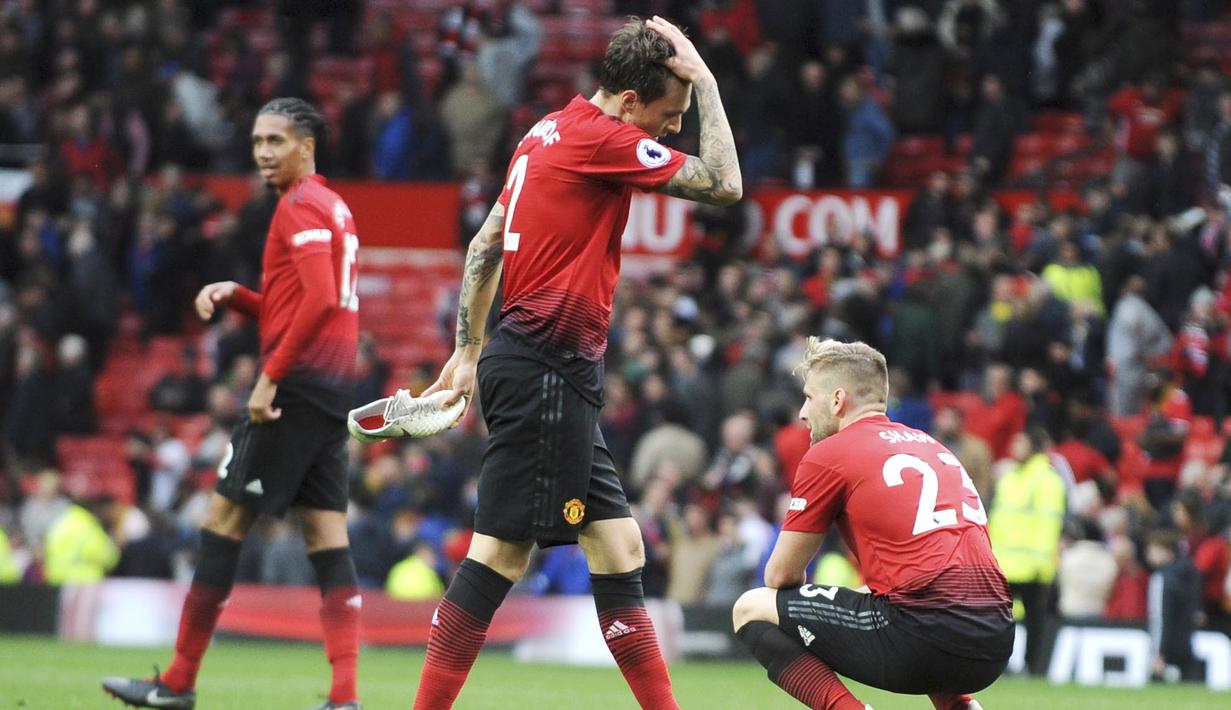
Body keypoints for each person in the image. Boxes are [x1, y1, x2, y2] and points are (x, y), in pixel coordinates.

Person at [413, 16, 741, 710]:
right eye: (667, 115)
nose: (672, 130)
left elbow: (486, 241)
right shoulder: (601, 139)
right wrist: (707, 85)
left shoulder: (543, 133)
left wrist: (468, 351)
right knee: (499, 554)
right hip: (545, 371)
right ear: (627, 103)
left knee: (620, 547)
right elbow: (724, 185)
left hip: (540, 367)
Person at [102, 98, 364, 710]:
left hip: (294, 391)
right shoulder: (332, 205)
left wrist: (269, 376)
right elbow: (306, 299)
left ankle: (179, 683)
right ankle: (345, 697)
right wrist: (243, 297)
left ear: (307, 146)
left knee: (222, 525)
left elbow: (322, 299)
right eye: (257, 141)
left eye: (276, 140)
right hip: (330, 391)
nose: (264, 153)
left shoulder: (298, 205)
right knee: (328, 539)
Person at [731, 338, 1013, 710]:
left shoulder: (829, 454)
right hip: (996, 640)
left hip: (922, 637)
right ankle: (961, 706)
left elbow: (780, 577)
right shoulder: (933, 446)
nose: (802, 412)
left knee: (751, 606)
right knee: (907, 596)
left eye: (808, 398)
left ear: (837, 400)